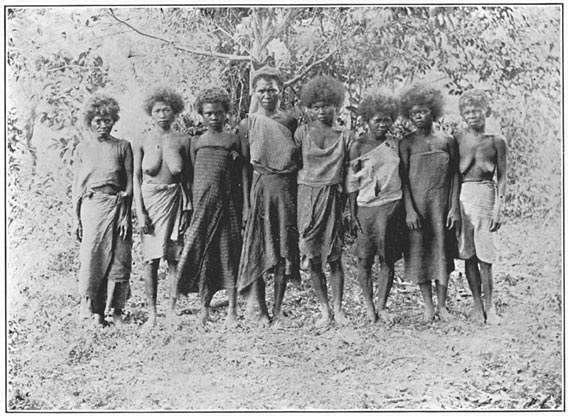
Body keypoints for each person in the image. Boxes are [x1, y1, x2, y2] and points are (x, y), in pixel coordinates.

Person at [176, 87, 248, 326]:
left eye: (218, 113)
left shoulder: (233, 140)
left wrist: (244, 206)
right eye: (208, 113)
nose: (214, 117)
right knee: (204, 254)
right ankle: (204, 308)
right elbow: (192, 176)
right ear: (201, 115)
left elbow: (242, 175)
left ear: (226, 113)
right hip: (202, 208)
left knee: (229, 254)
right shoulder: (195, 142)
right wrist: (192, 207)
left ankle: (232, 310)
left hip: (227, 206)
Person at [237, 66, 300, 326]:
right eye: (261, 91)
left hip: (285, 190)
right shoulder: (247, 124)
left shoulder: (289, 121)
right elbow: (242, 165)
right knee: (260, 247)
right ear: (254, 92)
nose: (267, 95)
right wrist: (246, 203)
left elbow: (296, 161)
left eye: (272, 90)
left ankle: (278, 310)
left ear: (281, 91)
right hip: (260, 189)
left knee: (283, 249)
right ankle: (262, 311)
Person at [398, 84, 460, 322]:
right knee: (419, 252)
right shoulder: (407, 143)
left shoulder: (448, 140)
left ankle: (442, 306)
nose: (417, 116)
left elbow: (455, 175)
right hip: (418, 208)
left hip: (441, 208)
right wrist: (410, 210)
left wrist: (454, 207)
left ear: (433, 111)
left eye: (422, 111)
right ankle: (428, 306)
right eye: (413, 113)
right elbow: (403, 179)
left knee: (442, 252)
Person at [133, 87, 192, 328]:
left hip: (175, 200)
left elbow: (187, 178)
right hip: (149, 202)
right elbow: (136, 179)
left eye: (166, 109)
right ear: (150, 112)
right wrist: (139, 212)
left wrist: (188, 207)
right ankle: (152, 313)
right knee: (151, 260)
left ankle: (172, 310)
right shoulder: (141, 140)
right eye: (157, 110)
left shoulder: (183, 140)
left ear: (175, 111)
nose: (162, 114)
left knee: (174, 258)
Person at [295, 75, 352, 327]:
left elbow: (351, 172)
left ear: (336, 106)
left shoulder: (345, 136)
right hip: (306, 197)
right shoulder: (302, 133)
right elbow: (293, 165)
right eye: (315, 106)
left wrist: (349, 206)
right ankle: (324, 310)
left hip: (333, 197)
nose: (320, 111)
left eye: (326, 105)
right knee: (311, 256)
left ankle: (339, 310)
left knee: (335, 255)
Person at [73, 94, 133, 327]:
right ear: (90, 121)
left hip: (118, 207)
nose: (102, 125)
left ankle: (116, 311)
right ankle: (95, 312)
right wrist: (76, 218)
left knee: (120, 258)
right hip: (92, 207)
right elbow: (77, 186)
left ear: (114, 120)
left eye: (107, 120)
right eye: (98, 120)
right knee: (92, 259)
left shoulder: (123, 146)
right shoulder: (82, 149)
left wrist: (126, 214)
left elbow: (129, 182)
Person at [346, 89, 405, 324]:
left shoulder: (395, 144)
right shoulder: (358, 145)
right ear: (366, 120)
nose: (382, 124)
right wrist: (352, 212)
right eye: (377, 120)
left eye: (386, 119)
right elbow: (351, 182)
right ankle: (369, 306)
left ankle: (382, 305)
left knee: (387, 258)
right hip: (366, 208)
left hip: (391, 207)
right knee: (364, 259)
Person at [455, 89, 507, 324]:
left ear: (485, 110)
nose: (472, 115)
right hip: (464, 195)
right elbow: (453, 175)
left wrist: (499, 206)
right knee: (469, 255)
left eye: (476, 110)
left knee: (486, 255)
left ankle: (490, 306)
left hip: (486, 194)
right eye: (467, 111)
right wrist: (453, 208)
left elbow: (503, 176)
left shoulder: (496, 140)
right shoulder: (458, 138)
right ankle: (476, 305)